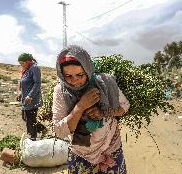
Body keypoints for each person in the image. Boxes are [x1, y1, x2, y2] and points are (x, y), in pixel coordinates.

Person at [52, 45, 130, 174]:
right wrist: (80, 106)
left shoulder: (105, 83)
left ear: (87, 69)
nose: (75, 81)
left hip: (111, 149)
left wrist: (103, 113)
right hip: (81, 154)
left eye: (80, 75)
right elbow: (59, 131)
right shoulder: (60, 91)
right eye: (68, 76)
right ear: (61, 75)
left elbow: (124, 107)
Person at [17, 53, 42, 141]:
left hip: (32, 99)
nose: (21, 65)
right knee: (25, 117)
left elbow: (37, 83)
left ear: (28, 61)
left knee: (31, 119)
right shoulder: (26, 69)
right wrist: (20, 92)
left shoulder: (34, 68)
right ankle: (42, 129)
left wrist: (30, 96)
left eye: (22, 63)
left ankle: (33, 138)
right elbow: (21, 81)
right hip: (25, 98)